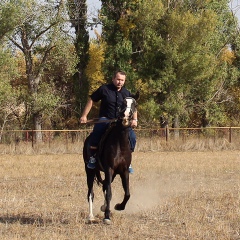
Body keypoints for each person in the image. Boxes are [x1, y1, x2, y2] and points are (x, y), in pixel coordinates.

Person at [80, 70, 138, 173]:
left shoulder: (126, 93)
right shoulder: (104, 89)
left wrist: (134, 119)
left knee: (132, 137)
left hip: (121, 121)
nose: (120, 82)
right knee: (96, 132)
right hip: (105, 119)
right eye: (118, 79)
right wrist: (84, 116)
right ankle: (93, 157)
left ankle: (127, 160)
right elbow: (91, 100)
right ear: (113, 79)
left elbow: (133, 106)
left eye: (122, 80)